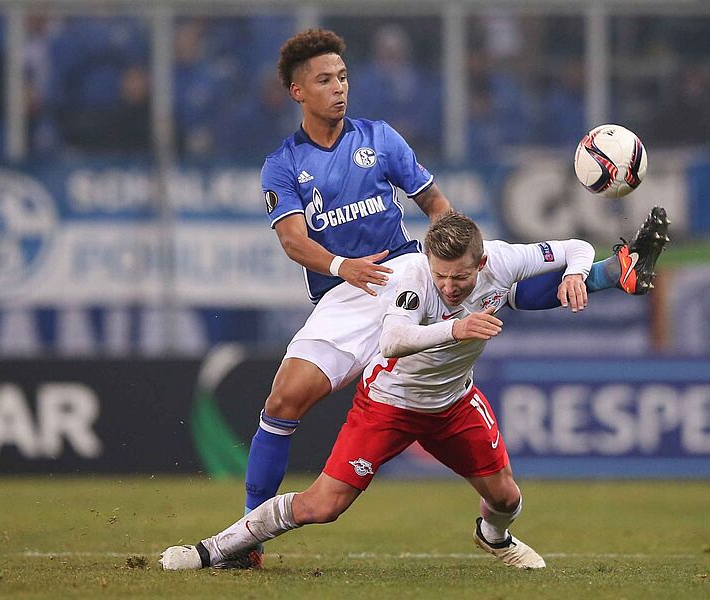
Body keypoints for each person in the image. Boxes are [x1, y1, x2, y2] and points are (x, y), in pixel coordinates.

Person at [235, 28, 669, 569]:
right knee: (283, 403)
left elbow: (436, 204)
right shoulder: (283, 163)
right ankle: (246, 538)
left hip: (404, 278)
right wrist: (345, 266)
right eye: (324, 80)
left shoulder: (380, 139)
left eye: (343, 77)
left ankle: (610, 273)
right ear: (297, 91)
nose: (339, 88)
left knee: (495, 285)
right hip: (345, 293)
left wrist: (461, 257)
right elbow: (293, 240)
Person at [161, 211, 596, 571]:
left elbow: (577, 247)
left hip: (453, 404)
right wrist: (456, 328)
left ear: (481, 264)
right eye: (441, 276)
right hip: (389, 405)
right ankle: (214, 550)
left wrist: (577, 273)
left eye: (460, 278)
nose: (449, 287)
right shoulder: (413, 277)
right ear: (428, 262)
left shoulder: (504, 259)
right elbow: (392, 340)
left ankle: (494, 537)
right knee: (323, 506)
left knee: (506, 498)